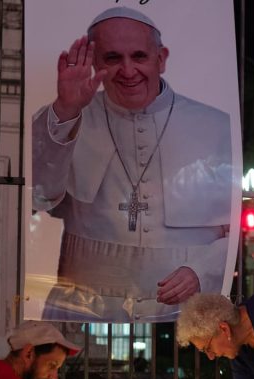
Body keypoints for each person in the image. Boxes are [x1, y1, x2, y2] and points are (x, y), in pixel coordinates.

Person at [32, 6, 234, 323]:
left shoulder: (217, 126)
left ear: (161, 58)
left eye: (139, 56)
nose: (127, 71)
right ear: (94, 62)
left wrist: (201, 270)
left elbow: (240, 231)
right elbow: (37, 196)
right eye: (112, 58)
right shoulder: (65, 116)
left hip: (181, 314)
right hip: (84, 310)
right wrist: (66, 109)